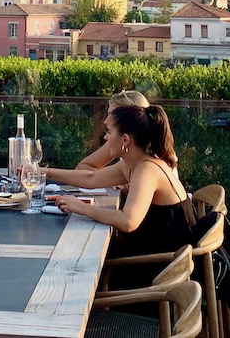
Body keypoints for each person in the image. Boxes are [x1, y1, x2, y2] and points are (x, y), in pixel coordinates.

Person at [48, 104, 194, 261]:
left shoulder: (147, 170)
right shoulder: (135, 163)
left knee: (76, 257)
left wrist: (82, 208)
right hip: (153, 252)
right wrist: (42, 172)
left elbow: (128, 221)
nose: (105, 138)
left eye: (109, 132)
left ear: (125, 140)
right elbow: (90, 179)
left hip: (161, 267)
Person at [76, 90, 150, 171]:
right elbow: (82, 168)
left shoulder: (149, 163)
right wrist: (112, 181)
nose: (105, 121)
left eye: (112, 115)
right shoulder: (120, 142)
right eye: (108, 114)